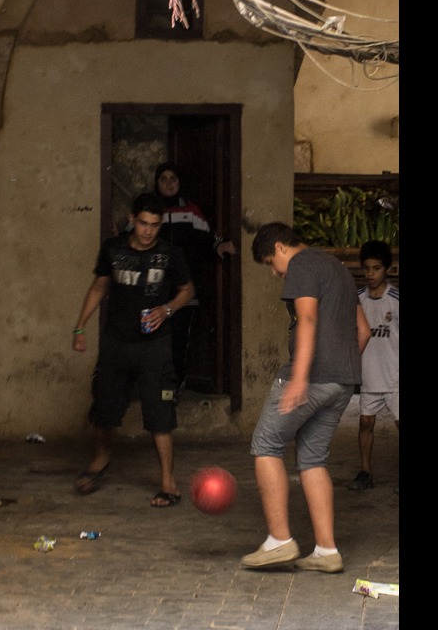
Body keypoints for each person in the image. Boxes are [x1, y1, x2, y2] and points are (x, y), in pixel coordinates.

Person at [241, 222, 370, 574]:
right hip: (343, 381)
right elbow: (364, 330)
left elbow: (308, 318)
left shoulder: (301, 265)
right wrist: (342, 369)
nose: (273, 271)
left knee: (266, 444)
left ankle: (279, 541)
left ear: (282, 247)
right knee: (313, 458)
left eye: (271, 261)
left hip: (311, 377)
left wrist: (300, 378)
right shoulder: (338, 269)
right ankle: (327, 550)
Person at [71, 193, 195, 507]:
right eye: (143, 223)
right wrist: (80, 327)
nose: (148, 231)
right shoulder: (113, 250)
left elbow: (187, 291)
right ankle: (100, 459)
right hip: (116, 342)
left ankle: (168, 482)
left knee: (160, 414)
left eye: (154, 225)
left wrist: (166, 310)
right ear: (132, 220)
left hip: (155, 346)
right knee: (104, 406)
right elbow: (99, 286)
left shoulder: (169, 254)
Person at [131, 161, 237, 391]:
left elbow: (208, 237)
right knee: (150, 340)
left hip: (183, 290)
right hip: (152, 290)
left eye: (173, 179)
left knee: (178, 341)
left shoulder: (190, 210)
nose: (168, 183)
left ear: (179, 183)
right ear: (156, 183)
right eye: (163, 179)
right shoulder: (149, 211)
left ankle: (173, 389)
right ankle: (150, 388)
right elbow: (131, 240)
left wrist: (221, 246)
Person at [347, 240, 399, 492]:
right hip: (369, 377)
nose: (370, 274)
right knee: (365, 423)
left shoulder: (396, 300)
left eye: (376, 268)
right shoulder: (357, 299)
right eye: (366, 268)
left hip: (395, 377)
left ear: (387, 269)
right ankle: (365, 472)